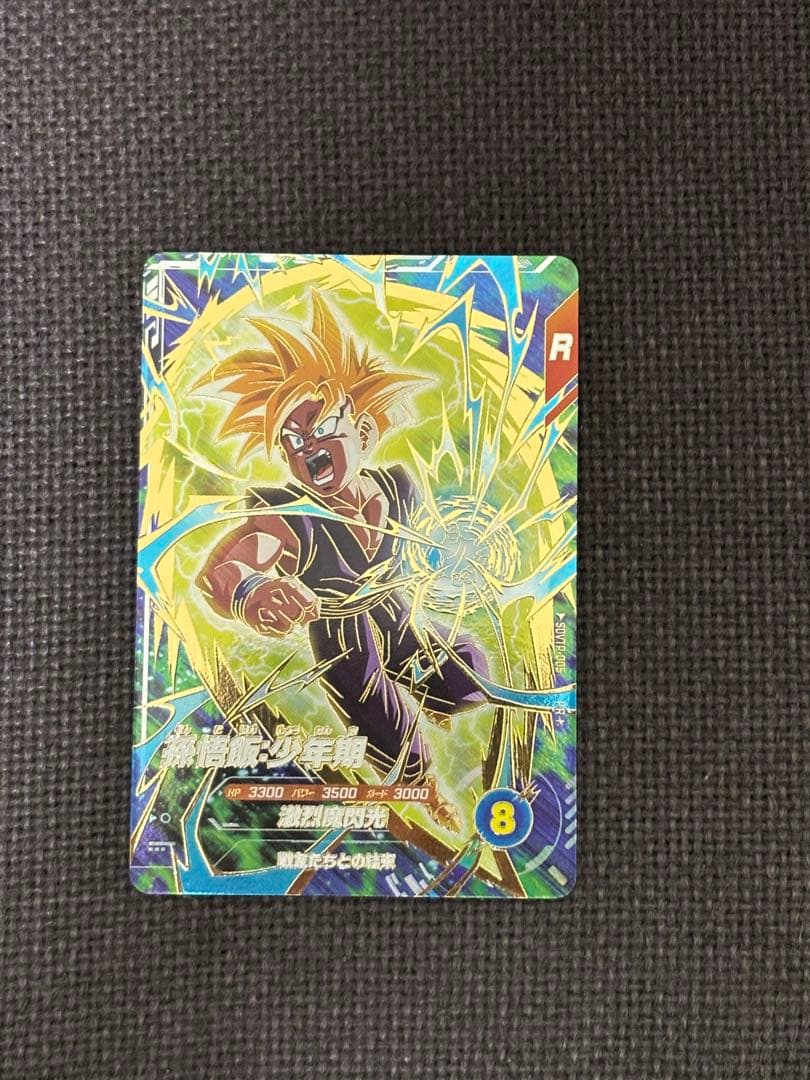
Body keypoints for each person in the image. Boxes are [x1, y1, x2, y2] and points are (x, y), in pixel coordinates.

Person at [195, 292, 489, 831]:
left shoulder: (398, 487)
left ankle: (477, 741)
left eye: (317, 426)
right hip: (342, 637)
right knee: (378, 713)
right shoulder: (293, 516)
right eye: (291, 441)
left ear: (364, 428)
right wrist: (253, 592)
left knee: (464, 671)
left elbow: (427, 547)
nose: (305, 447)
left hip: (401, 617)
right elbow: (223, 570)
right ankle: (429, 794)